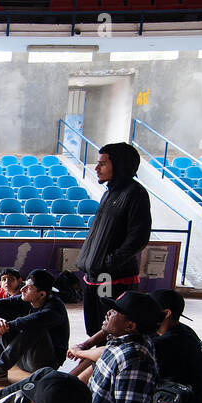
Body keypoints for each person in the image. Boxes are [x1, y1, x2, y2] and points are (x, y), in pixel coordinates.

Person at [74, 143, 152, 335]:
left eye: (102, 164)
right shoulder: (109, 193)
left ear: (119, 165)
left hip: (111, 279)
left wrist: (109, 262)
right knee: (94, 328)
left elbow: (139, 237)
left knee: (111, 330)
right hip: (95, 278)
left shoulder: (135, 193)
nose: (96, 168)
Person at [0, 268, 70, 382]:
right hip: (23, 359)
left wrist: (7, 326)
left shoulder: (55, 308)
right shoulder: (28, 299)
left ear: (42, 294)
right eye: (24, 285)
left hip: (44, 363)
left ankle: (0, 369)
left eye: (29, 287)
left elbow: (31, 320)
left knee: (34, 326)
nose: (22, 289)